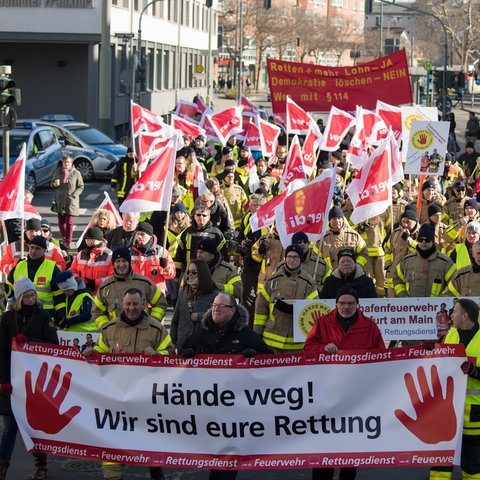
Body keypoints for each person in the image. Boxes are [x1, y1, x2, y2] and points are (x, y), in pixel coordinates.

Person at [180, 292, 273, 480]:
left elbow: (269, 358)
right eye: (214, 305)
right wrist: (186, 353)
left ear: (233, 310)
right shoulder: (203, 331)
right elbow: (183, 348)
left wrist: (254, 357)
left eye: (222, 306)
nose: (216, 308)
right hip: (207, 406)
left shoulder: (245, 334)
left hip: (234, 409)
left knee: (227, 461)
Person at [85, 288, 173, 480]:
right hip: (116, 397)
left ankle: (156, 473)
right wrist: (91, 354)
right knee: (113, 443)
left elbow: (172, 355)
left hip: (146, 398)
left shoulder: (157, 329)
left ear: (143, 304)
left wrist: (158, 355)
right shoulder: (110, 329)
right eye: (128, 304)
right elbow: (99, 354)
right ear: (122, 304)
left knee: (150, 442)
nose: (131, 308)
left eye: (135, 304)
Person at [304, 285, 385, 480]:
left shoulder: (369, 326)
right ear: (336, 304)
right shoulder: (323, 323)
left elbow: (381, 357)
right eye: (342, 303)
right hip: (328, 394)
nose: (346, 307)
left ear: (357, 305)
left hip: (356, 396)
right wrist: (323, 348)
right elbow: (307, 349)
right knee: (325, 446)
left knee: (351, 448)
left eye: (350, 303)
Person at [0, 277, 58, 480]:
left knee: (35, 426)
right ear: (19, 297)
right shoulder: (8, 318)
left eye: (33, 295)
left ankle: (41, 466)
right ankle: (2, 467)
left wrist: (30, 341)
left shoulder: (43, 317)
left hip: (35, 383)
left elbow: (53, 346)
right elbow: (1, 351)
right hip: (12, 382)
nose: (31, 299)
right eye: (27, 296)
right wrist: (3, 379)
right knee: (9, 428)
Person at [429, 298, 480, 480]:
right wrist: (432, 348)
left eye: (455, 311)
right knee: (441, 460)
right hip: (446, 407)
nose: (451, 315)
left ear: (465, 316)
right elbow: (441, 361)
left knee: (472, 463)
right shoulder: (450, 334)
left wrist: (476, 372)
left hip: (472, 411)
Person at [254, 244, 319, 353]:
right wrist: (257, 333)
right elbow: (261, 308)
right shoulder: (273, 280)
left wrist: (291, 309)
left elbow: (312, 309)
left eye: (295, 257)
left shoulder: (308, 283)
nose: (291, 260)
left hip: (296, 345)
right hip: (271, 342)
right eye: (289, 257)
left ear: (301, 259)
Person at [92, 247, 167, 329]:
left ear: (129, 262)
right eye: (117, 261)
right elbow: (97, 312)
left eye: (124, 261)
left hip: (141, 334)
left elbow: (160, 303)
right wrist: (106, 328)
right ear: (113, 263)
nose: (121, 265)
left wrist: (152, 323)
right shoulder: (105, 287)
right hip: (115, 337)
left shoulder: (144, 283)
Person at [5, 235, 65, 325]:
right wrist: (4, 288)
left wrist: (61, 315)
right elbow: (10, 292)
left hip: (45, 316)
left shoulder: (52, 267)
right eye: (31, 247)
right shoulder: (19, 266)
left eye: (37, 248)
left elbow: (59, 296)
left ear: (44, 250)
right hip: (21, 316)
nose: (33, 251)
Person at [393, 224, 455, 297]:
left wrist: (441, 300)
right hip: (412, 306)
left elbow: (454, 283)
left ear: (432, 241)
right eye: (421, 239)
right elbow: (397, 279)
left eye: (427, 240)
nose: (423, 242)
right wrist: (404, 297)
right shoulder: (407, 261)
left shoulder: (445, 262)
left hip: (437, 307)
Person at [170, 259, 219, 352]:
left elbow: (219, 321)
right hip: (183, 347)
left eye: (194, 272)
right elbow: (175, 320)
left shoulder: (215, 295)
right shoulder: (183, 293)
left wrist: (201, 316)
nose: (190, 274)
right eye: (188, 272)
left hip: (205, 349)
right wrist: (173, 342)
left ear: (203, 274)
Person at [0, 218, 66, 275]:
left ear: (41, 232)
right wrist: (17, 265)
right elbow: (3, 267)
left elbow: (61, 266)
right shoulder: (13, 247)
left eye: (36, 231)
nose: (34, 234)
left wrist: (43, 268)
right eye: (31, 231)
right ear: (26, 232)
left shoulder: (52, 248)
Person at [174, 205, 226, 273]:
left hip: (210, 273)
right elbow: (179, 254)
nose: (201, 217)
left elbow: (223, 254)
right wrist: (177, 272)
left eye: (204, 215)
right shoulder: (187, 232)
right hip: (189, 272)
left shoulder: (217, 233)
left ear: (209, 217)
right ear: (194, 216)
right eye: (198, 215)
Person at [317, 206, 368, 271]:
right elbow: (316, 258)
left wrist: (357, 266)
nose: (337, 221)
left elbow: (364, 252)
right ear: (329, 221)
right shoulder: (323, 239)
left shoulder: (354, 235)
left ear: (343, 220)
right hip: (331, 277)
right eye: (334, 218)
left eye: (339, 218)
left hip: (352, 275)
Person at [129, 221, 175, 292]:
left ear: (150, 235)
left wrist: (166, 267)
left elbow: (171, 274)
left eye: (142, 234)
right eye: (137, 234)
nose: (139, 237)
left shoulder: (161, 251)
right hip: (136, 293)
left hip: (156, 293)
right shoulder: (130, 252)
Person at [50, 153, 85, 249]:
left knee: (69, 221)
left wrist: (74, 195)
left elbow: (81, 186)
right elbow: (51, 183)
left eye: (69, 162)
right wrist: (54, 184)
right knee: (61, 222)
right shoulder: (58, 171)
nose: (67, 164)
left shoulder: (76, 173)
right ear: (62, 163)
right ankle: (64, 237)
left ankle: (68, 241)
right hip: (60, 200)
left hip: (71, 201)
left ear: (71, 163)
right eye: (65, 162)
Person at [195, 238, 243, 302]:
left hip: (219, 308)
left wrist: (216, 286)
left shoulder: (228, 270)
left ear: (212, 255)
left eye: (202, 252)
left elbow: (238, 290)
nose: (198, 255)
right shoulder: (192, 269)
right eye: (197, 252)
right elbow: (183, 291)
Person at [70, 226, 113, 295]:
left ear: (99, 240)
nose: (89, 242)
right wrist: (77, 280)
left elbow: (112, 276)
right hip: (82, 293)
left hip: (102, 295)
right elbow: (72, 271)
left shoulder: (109, 255)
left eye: (92, 240)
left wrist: (95, 283)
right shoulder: (81, 254)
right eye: (87, 239)